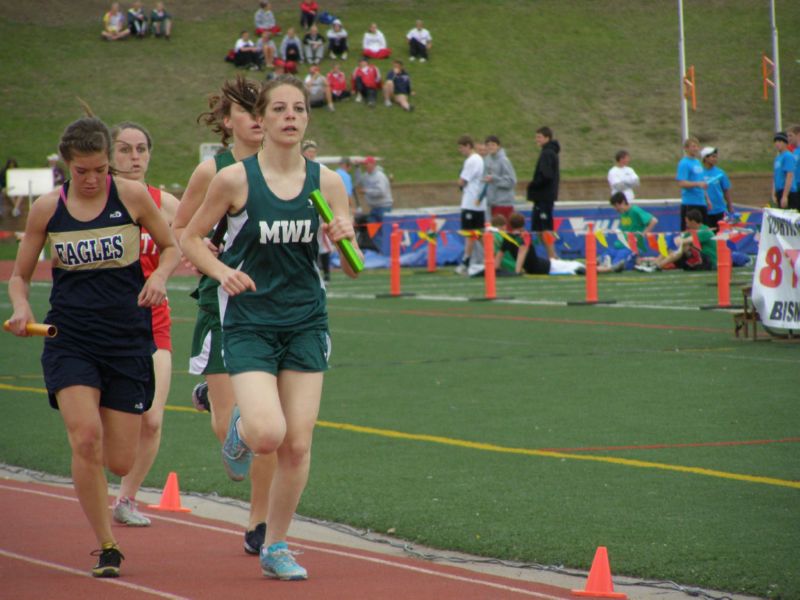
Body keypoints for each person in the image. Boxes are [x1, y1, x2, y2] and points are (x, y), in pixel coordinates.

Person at [180, 75, 361, 581]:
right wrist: (221, 272)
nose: (289, 117)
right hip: (250, 322)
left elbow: (351, 265)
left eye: (298, 109)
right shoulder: (235, 179)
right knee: (267, 434)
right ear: (262, 118)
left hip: (305, 321)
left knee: (297, 445)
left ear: (306, 118)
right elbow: (191, 238)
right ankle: (239, 430)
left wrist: (345, 238)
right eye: (278, 108)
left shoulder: (328, 182)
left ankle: (276, 545)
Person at [6, 113, 179, 577]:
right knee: (86, 438)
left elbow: (171, 246)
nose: (92, 179)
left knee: (120, 458)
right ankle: (107, 544)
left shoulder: (134, 196)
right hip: (71, 340)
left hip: (126, 339)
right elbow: (19, 275)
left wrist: (160, 276)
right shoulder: (48, 209)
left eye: (100, 169)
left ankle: (111, 494)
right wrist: (22, 309)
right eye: (82, 171)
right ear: (66, 167)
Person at [172, 76, 276, 557]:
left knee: (268, 430)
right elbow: (179, 227)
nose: (259, 117)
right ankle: (213, 402)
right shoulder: (212, 170)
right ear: (227, 120)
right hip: (223, 299)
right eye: (248, 110)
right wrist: (201, 247)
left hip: (279, 306)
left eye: (265, 108)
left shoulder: (291, 165)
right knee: (231, 430)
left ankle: (260, 522)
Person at [109, 122, 180, 527]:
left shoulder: (165, 203)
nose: (134, 157)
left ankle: (126, 499)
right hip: (106, 323)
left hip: (154, 319)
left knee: (152, 418)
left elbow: (190, 236)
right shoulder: (95, 203)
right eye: (124, 149)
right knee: (107, 423)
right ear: (110, 154)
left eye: (140, 149)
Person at [495, 213, 586, 276]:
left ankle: (593, 265)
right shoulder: (525, 235)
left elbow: (500, 254)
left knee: (572, 265)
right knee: (573, 265)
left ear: (510, 224)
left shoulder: (508, 238)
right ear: (523, 223)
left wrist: (496, 268)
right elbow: (522, 252)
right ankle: (593, 266)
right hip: (542, 267)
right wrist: (517, 271)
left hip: (539, 267)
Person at [601, 191, 658, 272]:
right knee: (602, 258)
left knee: (615, 265)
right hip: (619, 246)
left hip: (630, 247)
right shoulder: (623, 213)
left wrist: (642, 235)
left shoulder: (635, 210)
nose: (615, 209)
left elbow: (653, 220)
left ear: (623, 202)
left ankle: (597, 271)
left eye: (616, 205)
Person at [526, 126, 560, 258]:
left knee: (546, 229)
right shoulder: (548, 152)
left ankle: (553, 258)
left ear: (547, 138)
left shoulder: (548, 153)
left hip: (544, 196)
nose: (537, 140)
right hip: (542, 197)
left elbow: (546, 175)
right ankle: (550, 256)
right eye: (536, 137)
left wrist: (533, 185)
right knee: (540, 229)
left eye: (539, 137)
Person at [302, 140, 333, 281]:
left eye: (313, 152)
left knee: (322, 243)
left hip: (318, 208)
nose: (311, 154)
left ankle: (325, 274)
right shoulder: (298, 167)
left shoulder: (321, 169)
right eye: (308, 151)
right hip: (302, 208)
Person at [455, 135, 486, 275]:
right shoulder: (478, 159)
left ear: (468, 146)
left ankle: (465, 262)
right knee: (478, 234)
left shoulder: (472, 160)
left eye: (462, 148)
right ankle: (491, 257)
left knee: (471, 234)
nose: (460, 150)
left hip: (471, 202)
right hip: (478, 202)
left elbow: (462, 181)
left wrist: (460, 183)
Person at [648, 208, 716, 271]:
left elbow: (685, 241)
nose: (686, 224)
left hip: (710, 262)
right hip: (699, 259)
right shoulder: (690, 231)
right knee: (676, 246)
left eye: (687, 222)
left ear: (693, 222)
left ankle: (658, 266)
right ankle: (655, 263)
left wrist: (677, 241)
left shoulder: (705, 231)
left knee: (682, 245)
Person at [356, 155, 392, 250]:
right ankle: (381, 249)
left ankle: (386, 249)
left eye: (368, 164)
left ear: (373, 164)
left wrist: (367, 191)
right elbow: (358, 181)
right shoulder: (366, 176)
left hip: (384, 207)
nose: (366, 166)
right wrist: (357, 168)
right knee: (372, 230)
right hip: (374, 208)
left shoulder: (380, 176)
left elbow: (382, 192)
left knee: (384, 230)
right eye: (365, 164)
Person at [676, 136, 709, 230]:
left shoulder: (698, 162)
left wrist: (707, 199)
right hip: (690, 202)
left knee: (703, 230)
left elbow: (702, 182)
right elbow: (681, 183)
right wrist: (697, 184)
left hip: (701, 202)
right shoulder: (684, 163)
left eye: (697, 146)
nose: (695, 148)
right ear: (686, 148)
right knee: (689, 232)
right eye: (693, 146)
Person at [483, 135, 517, 220]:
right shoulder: (487, 160)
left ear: (498, 146)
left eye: (493, 144)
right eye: (488, 145)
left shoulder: (504, 160)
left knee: (502, 232)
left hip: (503, 203)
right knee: (492, 232)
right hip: (490, 204)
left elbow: (511, 182)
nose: (490, 147)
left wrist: (494, 179)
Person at [700, 147, 732, 230]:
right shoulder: (699, 173)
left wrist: (730, 206)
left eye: (716, 157)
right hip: (706, 210)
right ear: (705, 158)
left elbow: (726, 190)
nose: (715, 159)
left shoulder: (720, 173)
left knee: (722, 235)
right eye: (712, 157)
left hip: (720, 209)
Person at [772, 132, 798, 210]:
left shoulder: (788, 156)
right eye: (776, 142)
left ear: (785, 143)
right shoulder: (778, 158)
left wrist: (785, 196)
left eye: (780, 142)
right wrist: (773, 193)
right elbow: (775, 177)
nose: (777, 144)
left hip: (788, 192)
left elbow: (789, 176)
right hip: (779, 191)